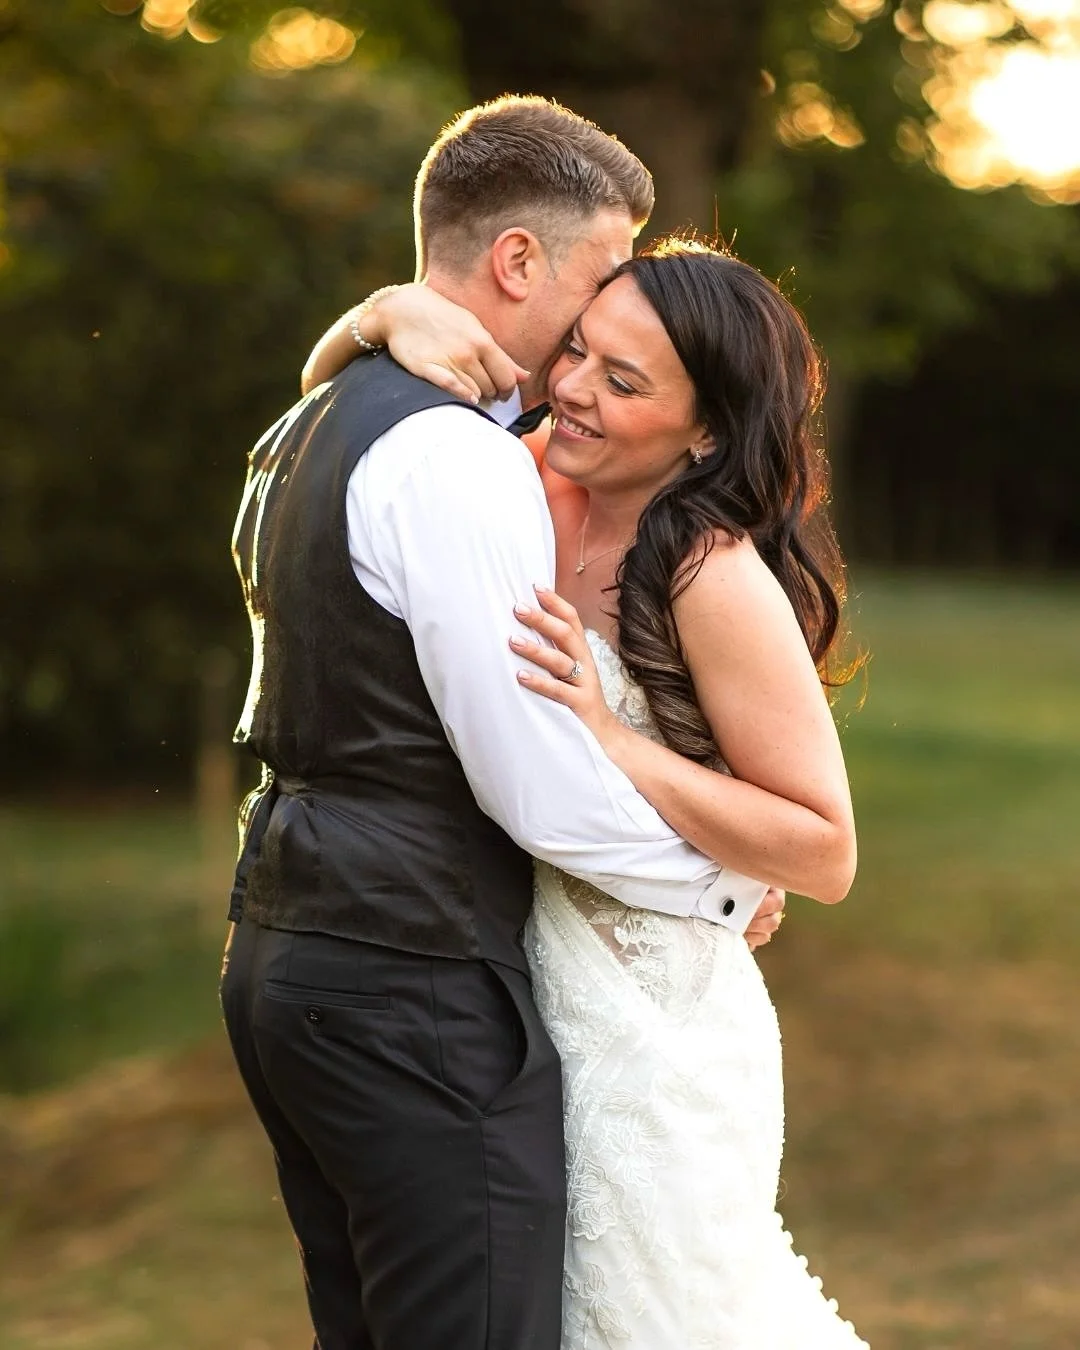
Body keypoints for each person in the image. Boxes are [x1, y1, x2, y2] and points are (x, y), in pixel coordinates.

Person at [220, 96, 785, 1350]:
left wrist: (374, 313)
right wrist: (721, 888)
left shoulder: (303, 421)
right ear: (520, 260)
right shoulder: (461, 458)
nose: (598, 323)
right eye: (595, 282)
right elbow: (532, 783)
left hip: (279, 946)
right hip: (410, 973)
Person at [302, 238, 868, 1347]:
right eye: (577, 351)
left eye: (624, 382)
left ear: (704, 431)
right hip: (515, 1000)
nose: (571, 388)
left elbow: (824, 847)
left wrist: (615, 738)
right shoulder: (511, 460)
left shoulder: (707, 571)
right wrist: (376, 315)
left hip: (657, 1035)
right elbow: (328, 417)